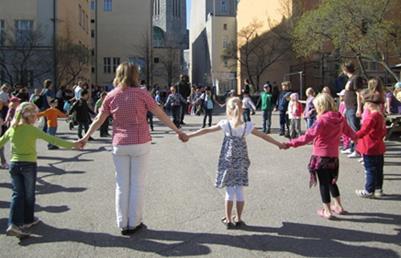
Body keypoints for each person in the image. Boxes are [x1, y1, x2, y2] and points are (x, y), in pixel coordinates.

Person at [78, 62, 188, 235]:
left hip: (119, 144)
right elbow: (160, 114)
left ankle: (123, 223)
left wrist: (85, 137)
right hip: (140, 142)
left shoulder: (111, 95)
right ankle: (134, 222)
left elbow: (99, 119)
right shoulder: (142, 94)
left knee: (122, 185)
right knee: (137, 184)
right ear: (135, 75)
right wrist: (177, 131)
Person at [186, 97, 283, 229]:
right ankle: (239, 218)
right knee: (239, 189)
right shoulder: (247, 126)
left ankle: (228, 219)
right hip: (241, 160)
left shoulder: (225, 124)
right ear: (242, 110)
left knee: (229, 190)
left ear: (229, 110)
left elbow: (206, 130)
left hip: (228, 160)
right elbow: (263, 136)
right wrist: (278, 144)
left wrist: (189, 135)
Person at [1, 102, 80, 238]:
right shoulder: (32, 130)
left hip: (14, 165)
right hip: (29, 165)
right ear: (30, 116)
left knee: (17, 194)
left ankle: (13, 223)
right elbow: (53, 140)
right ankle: (28, 220)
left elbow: (1, 142)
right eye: (34, 115)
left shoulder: (12, 128)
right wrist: (74, 144)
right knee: (29, 194)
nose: (36, 118)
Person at [283, 94, 356, 219]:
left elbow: (308, 136)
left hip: (321, 157)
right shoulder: (339, 118)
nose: (315, 108)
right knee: (332, 182)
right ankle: (338, 205)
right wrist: (361, 137)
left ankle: (327, 210)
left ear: (321, 106)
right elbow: (350, 133)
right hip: (333, 157)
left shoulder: (321, 120)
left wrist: (290, 143)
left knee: (323, 183)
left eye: (316, 106)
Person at [355, 91, 386, 198]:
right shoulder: (380, 116)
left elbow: (364, 130)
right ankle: (378, 189)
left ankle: (369, 190)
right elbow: (383, 132)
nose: (364, 105)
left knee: (370, 170)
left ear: (370, 104)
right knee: (378, 170)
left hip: (369, 146)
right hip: (378, 146)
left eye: (365, 103)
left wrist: (353, 136)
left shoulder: (371, 117)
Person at [342, 61, 363, 158]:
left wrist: (359, 108)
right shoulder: (350, 79)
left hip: (353, 107)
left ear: (346, 69)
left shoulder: (356, 78)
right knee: (350, 129)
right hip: (349, 107)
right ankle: (351, 148)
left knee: (355, 129)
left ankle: (358, 150)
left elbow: (359, 94)